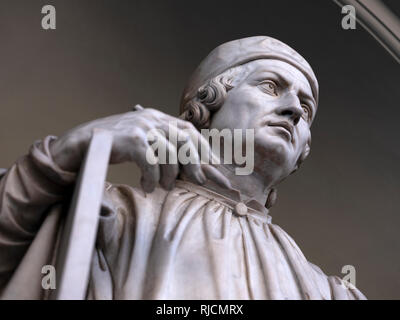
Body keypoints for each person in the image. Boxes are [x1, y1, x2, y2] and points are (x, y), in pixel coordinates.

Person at [0, 36, 366, 299]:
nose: (293, 110)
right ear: (208, 105)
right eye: (271, 87)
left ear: (302, 149)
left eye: (306, 109)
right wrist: (78, 146)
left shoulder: (329, 291)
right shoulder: (107, 214)